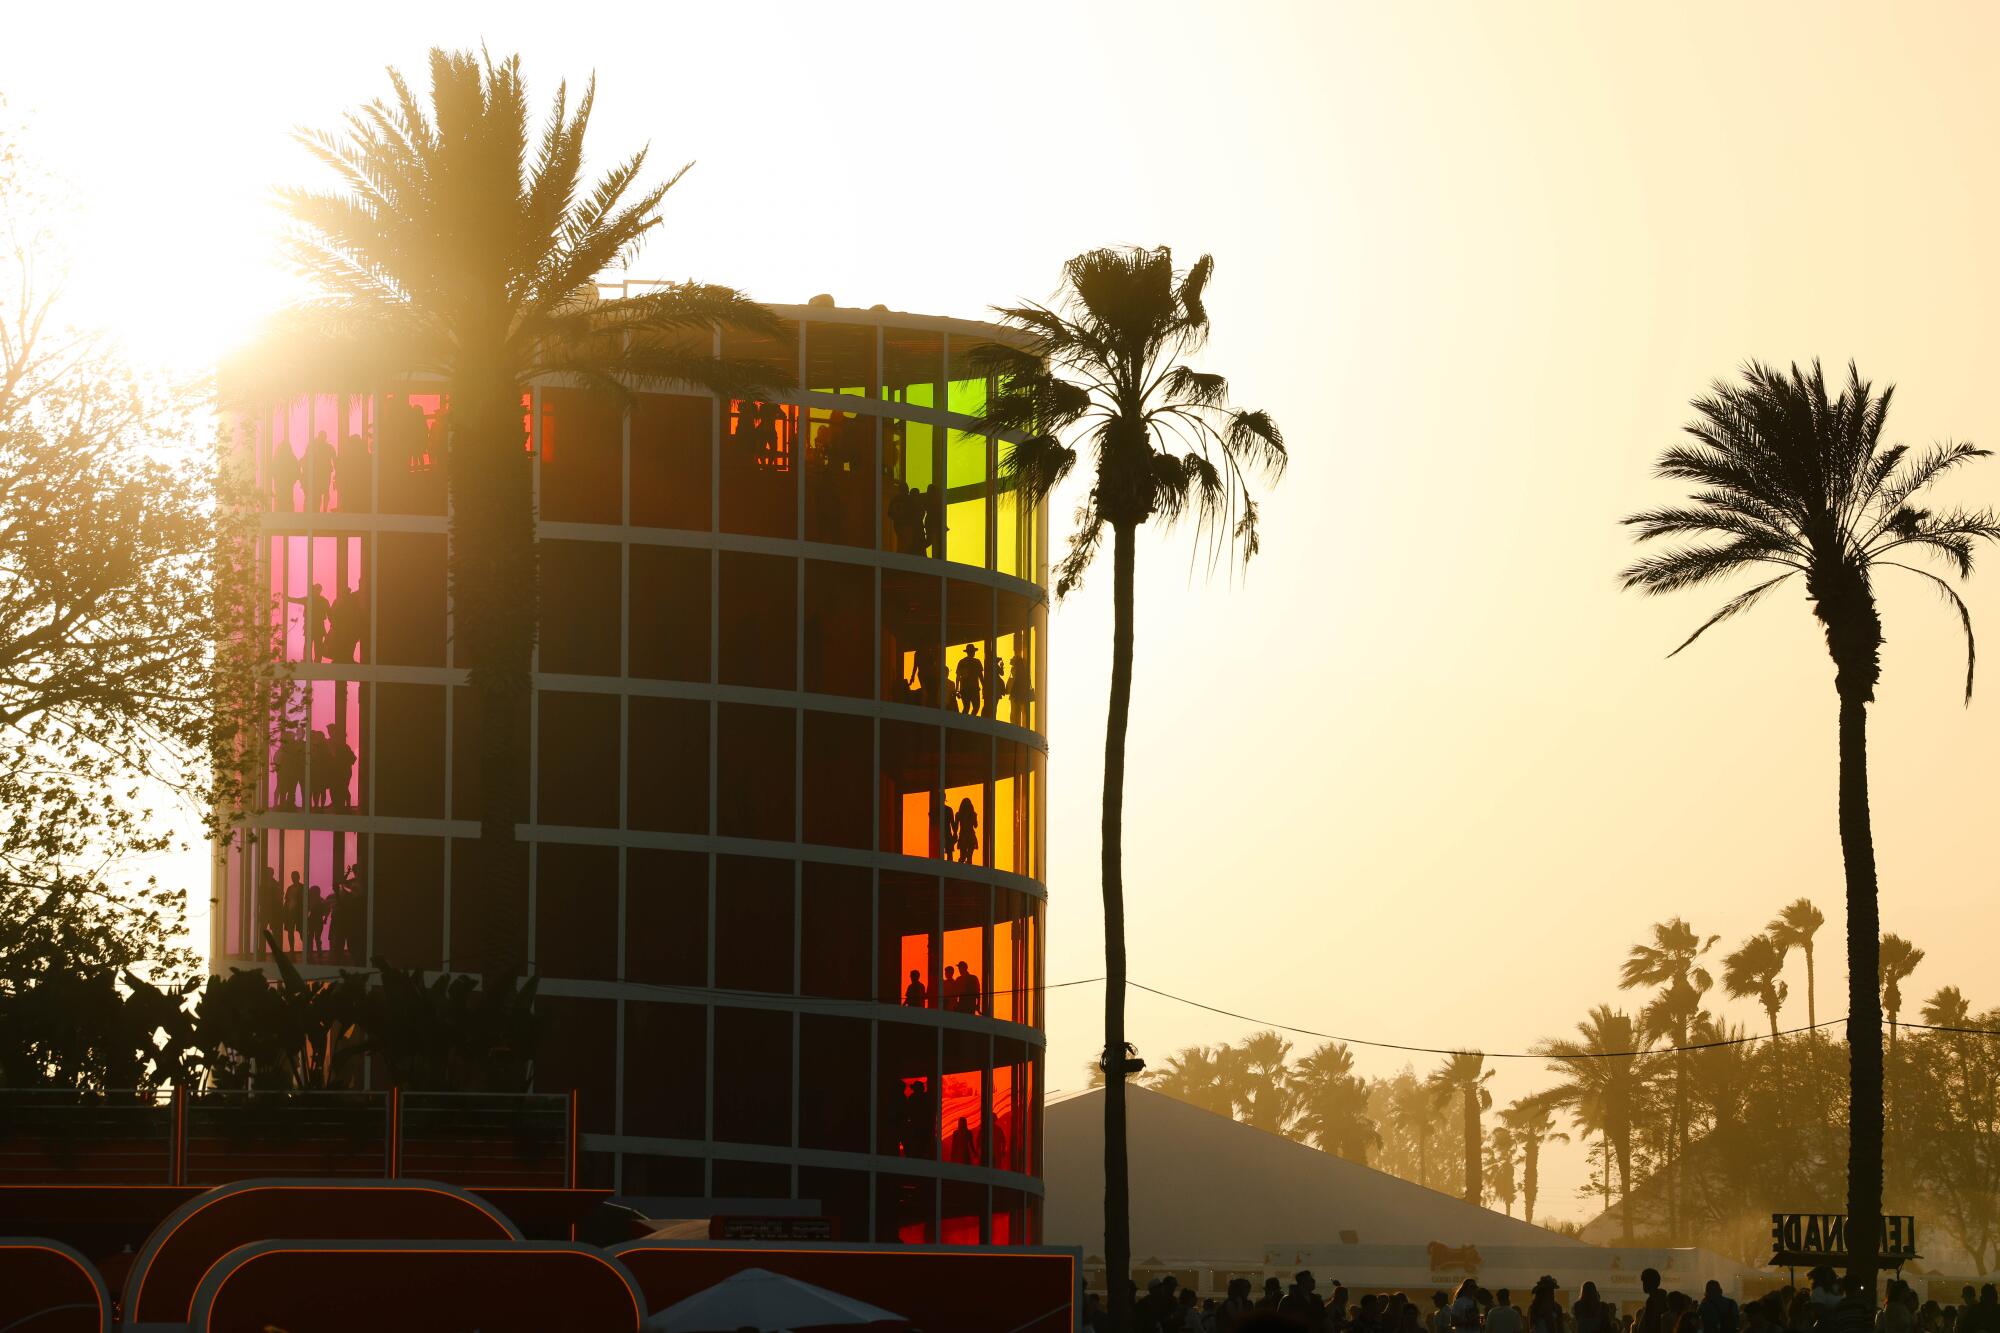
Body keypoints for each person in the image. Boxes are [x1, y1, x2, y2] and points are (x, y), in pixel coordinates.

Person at [335, 431, 372, 511]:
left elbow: (340, 474)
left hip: (352, 494)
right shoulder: (368, 459)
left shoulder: (344, 459)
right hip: (362, 496)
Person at [255, 864, 283, 958]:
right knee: (264, 930)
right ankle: (262, 950)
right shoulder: (265, 884)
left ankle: (273, 950)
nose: (268, 874)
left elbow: (279, 897)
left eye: (269, 873)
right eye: (267, 873)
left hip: (273, 911)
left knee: (273, 931)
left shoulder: (274, 884)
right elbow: (259, 897)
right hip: (266, 910)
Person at [269, 435, 301, 512]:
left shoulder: (278, 458)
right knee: (287, 500)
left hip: (282, 483)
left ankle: (282, 513)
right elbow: (297, 471)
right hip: (286, 484)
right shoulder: (291, 458)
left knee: (282, 500)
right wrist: (293, 479)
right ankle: (287, 513)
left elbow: (272, 470)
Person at [306, 431, 336, 512]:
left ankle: (320, 510)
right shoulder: (328, 448)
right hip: (323, 473)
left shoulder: (315, 447)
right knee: (324, 491)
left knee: (320, 492)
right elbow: (335, 460)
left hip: (320, 473)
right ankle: (323, 510)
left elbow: (307, 458)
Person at [955, 643, 984, 715]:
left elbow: (958, 677)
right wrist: (984, 687)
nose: (973, 653)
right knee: (974, 707)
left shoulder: (962, 662)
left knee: (968, 707)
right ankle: (967, 720)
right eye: (972, 651)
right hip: (972, 689)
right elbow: (981, 676)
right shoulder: (976, 662)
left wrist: (957, 690)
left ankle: (965, 720)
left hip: (967, 689)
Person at [281, 871, 306, 953]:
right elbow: (287, 901)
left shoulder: (301, 887)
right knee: (291, 931)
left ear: (298, 877)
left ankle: (303, 948)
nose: (293, 879)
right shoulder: (292, 888)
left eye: (294, 877)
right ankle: (292, 948)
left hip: (298, 913)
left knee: (300, 931)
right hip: (291, 913)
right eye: (292, 877)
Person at [954, 796, 978, 864]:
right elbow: (975, 825)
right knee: (969, 857)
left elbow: (956, 827)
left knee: (962, 857)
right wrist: (974, 817)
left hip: (963, 836)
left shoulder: (959, 814)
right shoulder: (972, 814)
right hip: (971, 836)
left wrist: (955, 834)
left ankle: (959, 869)